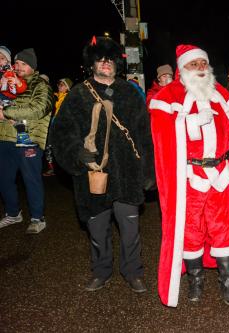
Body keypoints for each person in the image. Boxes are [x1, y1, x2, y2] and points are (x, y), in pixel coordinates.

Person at [149, 44, 229, 307]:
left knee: (223, 229)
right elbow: (161, 138)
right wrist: (190, 123)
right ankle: (195, 281)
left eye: (203, 64)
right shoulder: (168, 95)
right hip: (189, 178)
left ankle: (227, 282)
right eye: (193, 64)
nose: (199, 68)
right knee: (191, 231)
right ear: (182, 68)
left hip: (220, 174)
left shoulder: (219, 92)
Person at [50, 37, 155, 293]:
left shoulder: (130, 93)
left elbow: (144, 135)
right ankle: (101, 270)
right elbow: (61, 132)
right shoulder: (78, 94)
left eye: (109, 59)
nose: (105, 63)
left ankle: (133, 271)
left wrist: (148, 172)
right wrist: (78, 153)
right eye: (100, 59)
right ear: (92, 64)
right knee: (97, 228)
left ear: (116, 64)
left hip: (127, 175)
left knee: (130, 229)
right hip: (92, 175)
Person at [0, 48, 53, 233]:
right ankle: (13, 213)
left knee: (31, 179)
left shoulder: (41, 85)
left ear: (32, 66)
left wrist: (5, 113)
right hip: (5, 138)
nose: (19, 67)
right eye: (17, 63)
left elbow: (38, 109)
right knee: (4, 179)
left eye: (24, 63)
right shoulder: (8, 83)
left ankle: (38, 217)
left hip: (28, 139)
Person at [43, 77, 73, 177]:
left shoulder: (70, 97)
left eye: (62, 84)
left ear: (67, 87)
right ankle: (51, 168)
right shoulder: (54, 96)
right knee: (49, 147)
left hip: (62, 124)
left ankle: (65, 169)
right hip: (52, 122)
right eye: (59, 84)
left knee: (62, 147)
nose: (60, 86)